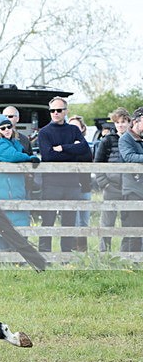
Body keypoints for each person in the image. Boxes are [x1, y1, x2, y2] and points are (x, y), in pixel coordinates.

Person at [36, 96, 93, 253]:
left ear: (65, 111)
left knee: (69, 222)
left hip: (72, 184)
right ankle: (44, 254)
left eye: (59, 110)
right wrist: (72, 150)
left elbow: (86, 151)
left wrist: (61, 148)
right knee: (48, 221)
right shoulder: (44, 132)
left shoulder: (73, 130)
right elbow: (48, 156)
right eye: (52, 110)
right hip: (51, 184)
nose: (55, 113)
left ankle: (66, 256)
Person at [0, 115, 40, 251]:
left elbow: (17, 152)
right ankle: (3, 259)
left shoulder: (14, 142)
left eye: (9, 126)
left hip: (14, 191)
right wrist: (30, 158)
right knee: (3, 226)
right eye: (2, 128)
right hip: (2, 192)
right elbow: (13, 156)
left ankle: (19, 258)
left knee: (19, 224)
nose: (7, 130)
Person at [94, 107, 130, 252]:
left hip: (130, 187)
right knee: (107, 223)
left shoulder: (135, 140)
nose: (120, 125)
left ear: (129, 122)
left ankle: (127, 254)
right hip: (112, 187)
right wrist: (104, 183)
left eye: (123, 122)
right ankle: (105, 254)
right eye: (117, 122)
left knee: (129, 222)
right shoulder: (108, 140)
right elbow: (98, 162)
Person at [118, 107, 143, 252]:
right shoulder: (125, 139)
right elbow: (129, 157)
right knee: (133, 228)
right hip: (133, 189)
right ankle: (130, 262)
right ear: (136, 121)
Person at [68, 114, 92, 251]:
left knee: (84, 222)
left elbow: (88, 157)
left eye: (76, 127)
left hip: (85, 186)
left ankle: (83, 253)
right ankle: (72, 253)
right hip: (70, 187)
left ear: (82, 129)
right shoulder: (65, 144)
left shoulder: (85, 146)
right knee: (73, 221)